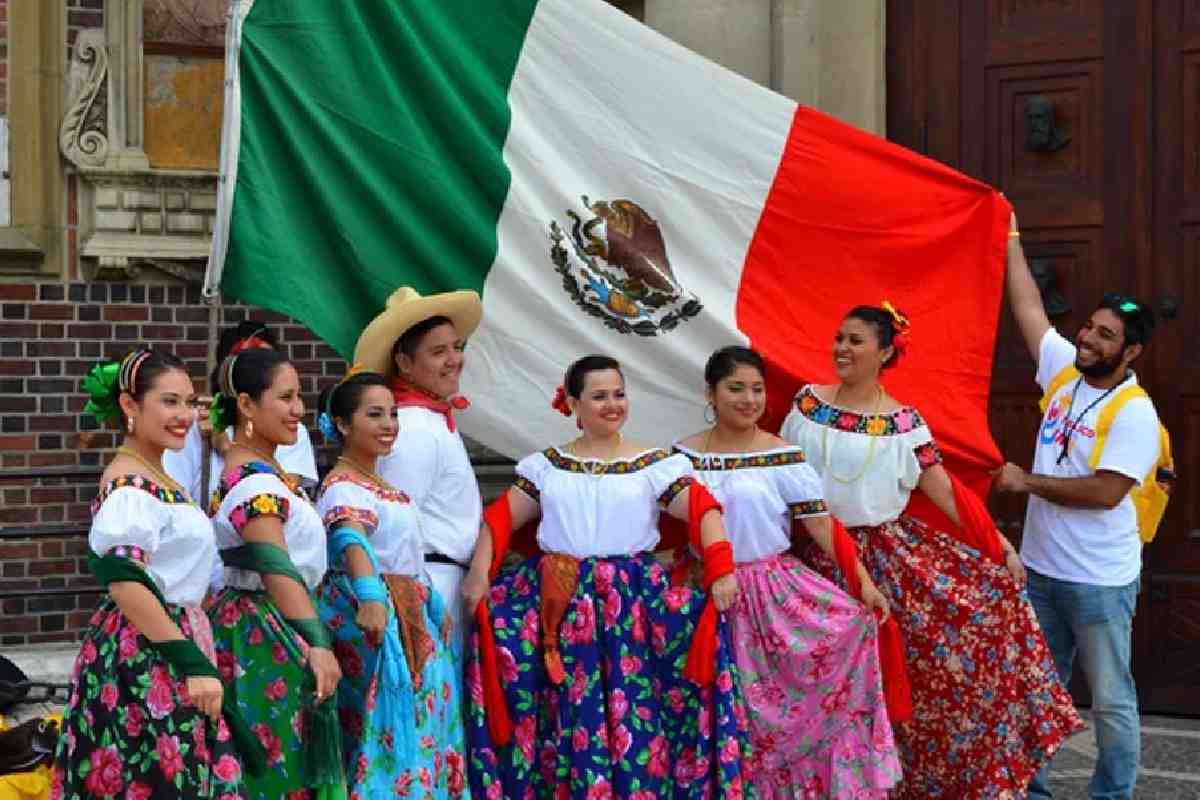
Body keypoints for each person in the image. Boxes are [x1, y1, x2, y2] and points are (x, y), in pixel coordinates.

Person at [780, 304, 1082, 799]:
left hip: (884, 558)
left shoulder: (905, 423)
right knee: (820, 686)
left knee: (899, 677)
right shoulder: (807, 406)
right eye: (839, 338)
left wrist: (999, 546)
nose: (842, 349)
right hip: (814, 557)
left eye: (855, 340)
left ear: (884, 351)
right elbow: (782, 478)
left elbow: (943, 489)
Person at [460, 355, 748, 799]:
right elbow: (500, 520)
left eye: (619, 394)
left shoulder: (653, 464)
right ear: (573, 403)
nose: (612, 405)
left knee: (637, 707)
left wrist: (721, 570)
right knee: (564, 707)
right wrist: (479, 575)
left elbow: (702, 511)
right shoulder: (548, 466)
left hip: (630, 606)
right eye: (599, 396)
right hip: (560, 600)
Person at [674, 345, 901, 798]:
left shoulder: (783, 455)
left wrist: (864, 584)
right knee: (723, 706)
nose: (748, 399)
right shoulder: (682, 457)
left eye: (756, 389)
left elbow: (819, 523)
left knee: (792, 698)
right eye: (735, 388)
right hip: (707, 593)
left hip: (774, 594)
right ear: (711, 393)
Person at [994, 211, 1162, 800]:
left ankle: (1112, 794)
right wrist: (1011, 236)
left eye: (1105, 336)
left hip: (1099, 581)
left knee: (1112, 699)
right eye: (1089, 328)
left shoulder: (1137, 412)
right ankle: (1030, 791)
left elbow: (1105, 492)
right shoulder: (1065, 372)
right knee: (1036, 689)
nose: (1088, 339)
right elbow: (1029, 309)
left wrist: (1027, 483)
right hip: (1042, 570)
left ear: (1131, 352)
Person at [53, 349, 246, 799]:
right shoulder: (130, 488)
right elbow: (125, 582)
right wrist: (192, 664)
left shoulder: (155, 476)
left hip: (166, 640)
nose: (183, 415)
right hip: (147, 652)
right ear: (129, 405)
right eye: (169, 401)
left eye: (189, 402)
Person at [313, 369, 469, 798]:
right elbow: (349, 536)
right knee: (387, 725)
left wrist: (433, 607)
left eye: (393, 414)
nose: (389, 425)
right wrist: (369, 595)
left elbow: (410, 559)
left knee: (426, 728)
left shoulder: (384, 487)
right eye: (375, 414)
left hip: (412, 616)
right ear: (343, 425)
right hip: (376, 619)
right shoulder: (341, 485)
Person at [206, 348, 345, 800]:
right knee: (275, 760)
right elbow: (275, 568)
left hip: (265, 623)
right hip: (265, 632)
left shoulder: (259, 473)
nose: (299, 410)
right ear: (246, 405)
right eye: (285, 398)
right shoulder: (255, 484)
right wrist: (318, 644)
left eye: (299, 397)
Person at [354, 287, 483, 649]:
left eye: (457, 347)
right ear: (404, 364)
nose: (454, 359)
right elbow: (396, 525)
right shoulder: (412, 428)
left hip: (442, 581)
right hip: (427, 585)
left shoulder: (431, 420)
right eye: (438, 351)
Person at [164, 321, 318, 510]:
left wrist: (227, 448)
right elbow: (172, 500)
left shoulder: (293, 428)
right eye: (249, 365)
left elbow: (281, 499)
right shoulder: (191, 426)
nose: (298, 409)